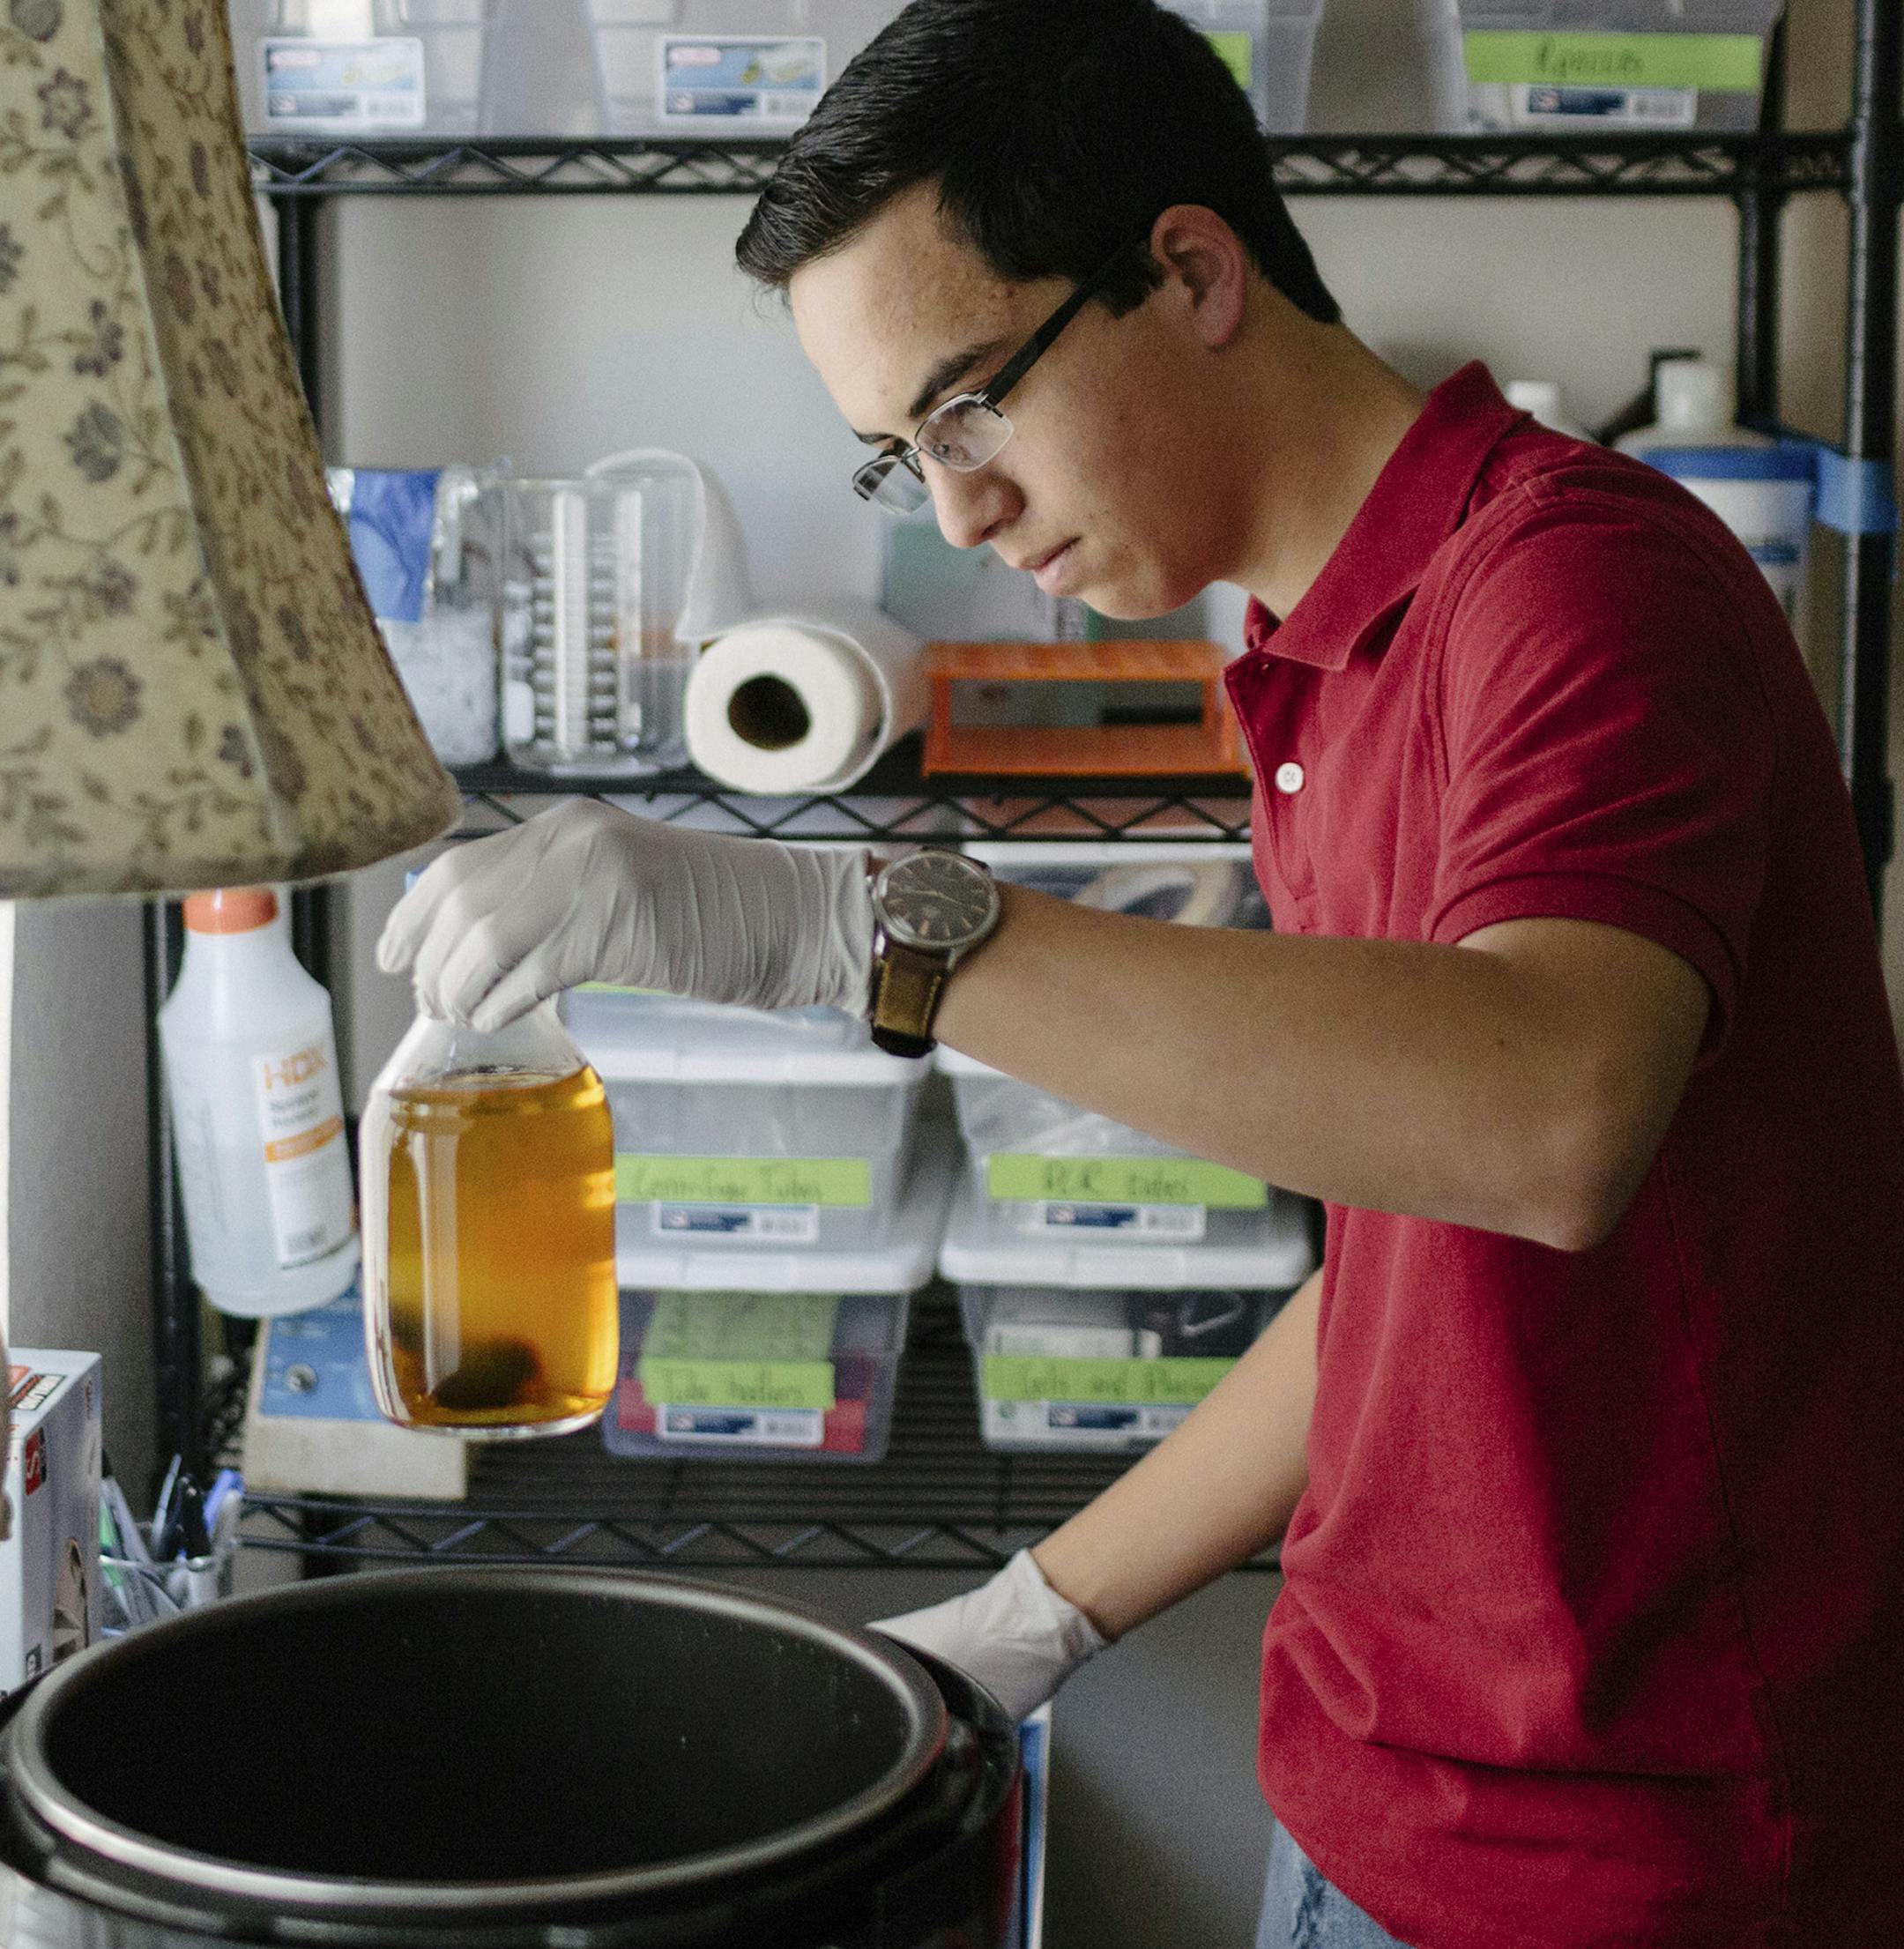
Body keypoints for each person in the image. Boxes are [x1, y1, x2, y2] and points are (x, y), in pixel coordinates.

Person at [376, 2, 1904, 1942]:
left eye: (967, 405)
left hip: (1630, 1849)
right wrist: (1022, 1624)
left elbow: (1549, 1111)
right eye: (895, 459)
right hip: (1367, 1777)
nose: (957, 509)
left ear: (1188, 270)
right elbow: (1407, 1283)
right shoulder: (1297, 662)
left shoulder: (1582, 588)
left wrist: (841, 922)